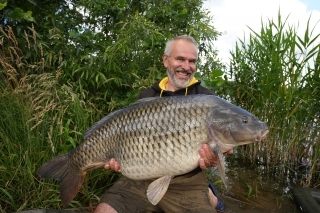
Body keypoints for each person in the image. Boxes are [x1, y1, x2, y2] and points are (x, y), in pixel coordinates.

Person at [94, 35, 233, 213]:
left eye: (192, 61)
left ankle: (210, 195)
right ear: (166, 60)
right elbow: (128, 142)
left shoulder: (207, 98)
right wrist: (119, 159)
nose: (186, 66)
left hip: (187, 182)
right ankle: (212, 196)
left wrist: (214, 158)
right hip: (143, 177)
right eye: (180, 59)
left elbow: (222, 146)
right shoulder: (147, 97)